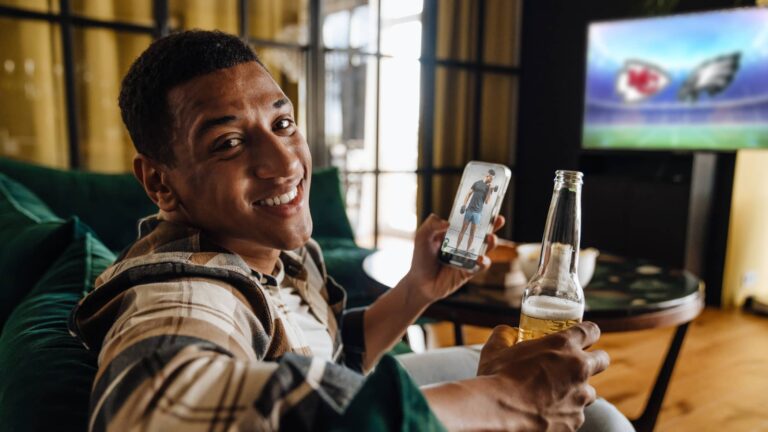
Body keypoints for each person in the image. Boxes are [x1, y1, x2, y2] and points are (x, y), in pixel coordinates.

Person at [68, 30, 634, 431]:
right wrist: (499, 400)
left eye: (282, 123)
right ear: (160, 183)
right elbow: (147, 409)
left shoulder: (276, 246)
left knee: (589, 408)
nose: (284, 163)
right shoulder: (188, 288)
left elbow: (333, 351)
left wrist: (417, 290)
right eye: (228, 143)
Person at [456, 169, 496, 254]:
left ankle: (467, 251)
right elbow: (468, 194)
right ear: (487, 175)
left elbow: (487, 202)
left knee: (472, 233)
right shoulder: (477, 183)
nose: (491, 180)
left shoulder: (489, 188)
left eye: (493, 179)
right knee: (463, 230)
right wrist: (464, 204)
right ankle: (456, 248)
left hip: (477, 213)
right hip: (469, 210)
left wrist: (489, 190)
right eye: (491, 178)